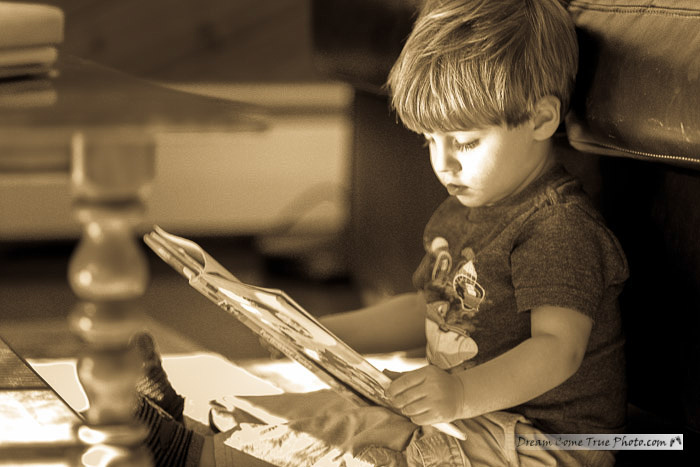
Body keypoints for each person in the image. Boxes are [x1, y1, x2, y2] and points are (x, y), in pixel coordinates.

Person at [134, 0, 628, 465]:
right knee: (327, 410)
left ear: (541, 118)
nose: (443, 163)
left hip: (544, 445)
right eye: (430, 140)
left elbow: (557, 349)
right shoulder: (462, 211)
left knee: (369, 442)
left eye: (466, 142)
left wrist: (460, 395)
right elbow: (428, 309)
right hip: (470, 419)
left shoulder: (557, 228)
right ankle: (187, 427)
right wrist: (328, 334)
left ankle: (188, 456)